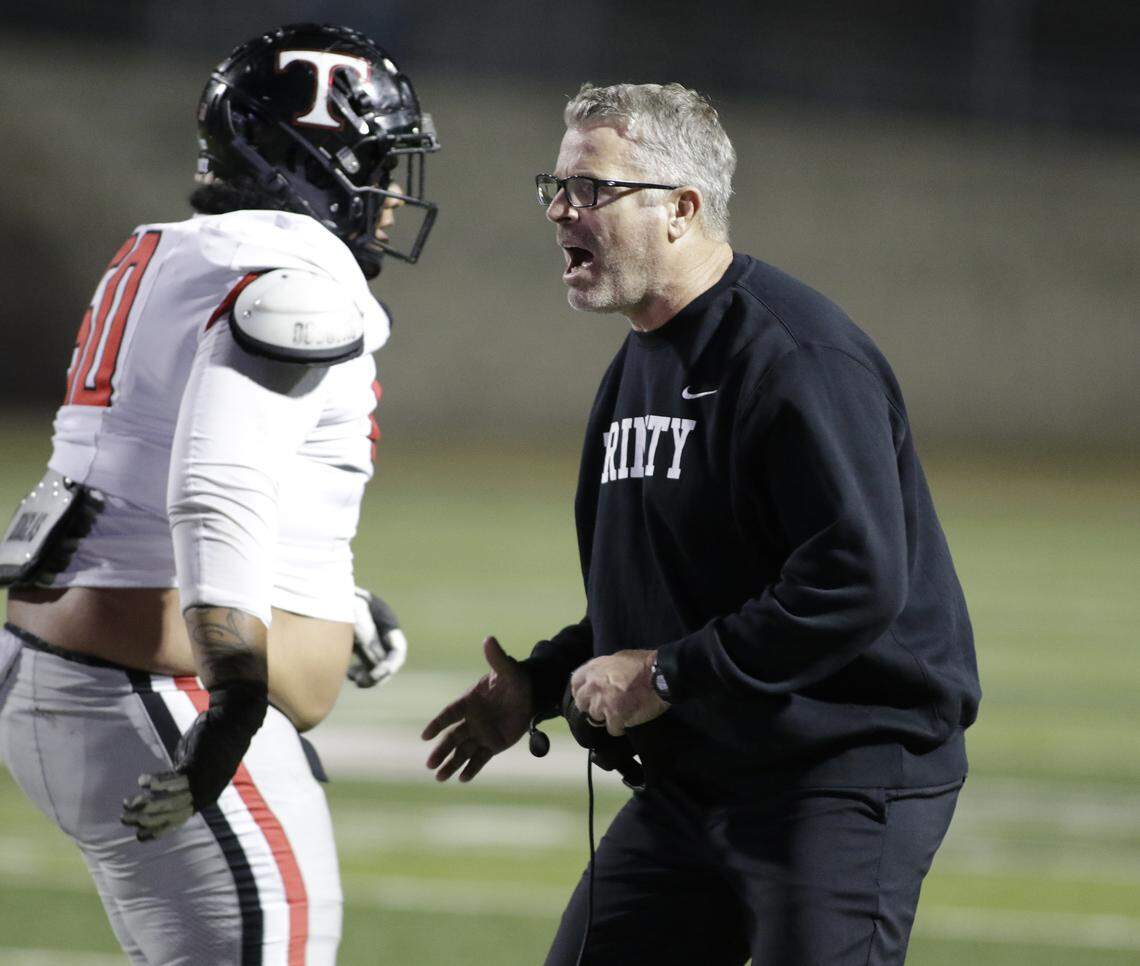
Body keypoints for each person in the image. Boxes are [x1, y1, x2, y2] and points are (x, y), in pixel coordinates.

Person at [422, 83, 980, 965]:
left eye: (592, 189)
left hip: (835, 775)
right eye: (556, 187)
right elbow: (662, 605)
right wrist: (543, 683)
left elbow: (856, 580)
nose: (563, 210)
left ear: (681, 208)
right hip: (699, 776)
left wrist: (668, 677)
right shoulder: (639, 365)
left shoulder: (795, 357)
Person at [0, 22, 434, 965]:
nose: (392, 195)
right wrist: (237, 694)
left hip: (69, 675)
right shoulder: (297, 278)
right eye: (376, 161)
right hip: (162, 693)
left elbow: (137, 470)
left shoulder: (172, 248)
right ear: (314, 157)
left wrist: (330, 603)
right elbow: (216, 484)